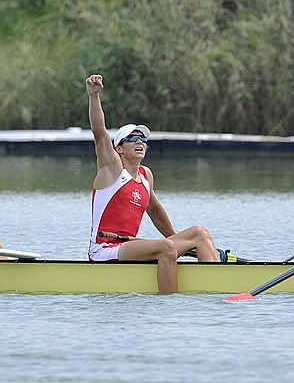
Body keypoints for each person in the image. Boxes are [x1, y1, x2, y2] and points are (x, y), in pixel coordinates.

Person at [85, 74, 221, 294]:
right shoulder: (111, 168)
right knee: (166, 248)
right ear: (119, 148)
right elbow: (99, 133)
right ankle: (169, 302)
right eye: (133, 139)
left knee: (199, 234)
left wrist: (179, 245)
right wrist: (94, 96)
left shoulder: (146, 176)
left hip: (128, 246)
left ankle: (219, 289)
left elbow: (155, 210)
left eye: (143, 140)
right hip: (105, 249)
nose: (140, 142)